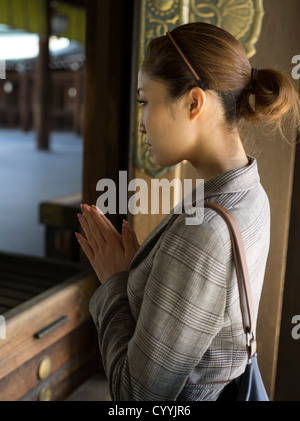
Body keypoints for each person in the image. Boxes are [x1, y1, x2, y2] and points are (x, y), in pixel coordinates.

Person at [75, 22, 300, 401]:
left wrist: (114, 282)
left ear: (195, 102)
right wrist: (138, 281)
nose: (141, 124)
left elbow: (137, 398)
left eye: (145, 101)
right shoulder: (250, 191)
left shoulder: (204, 230)